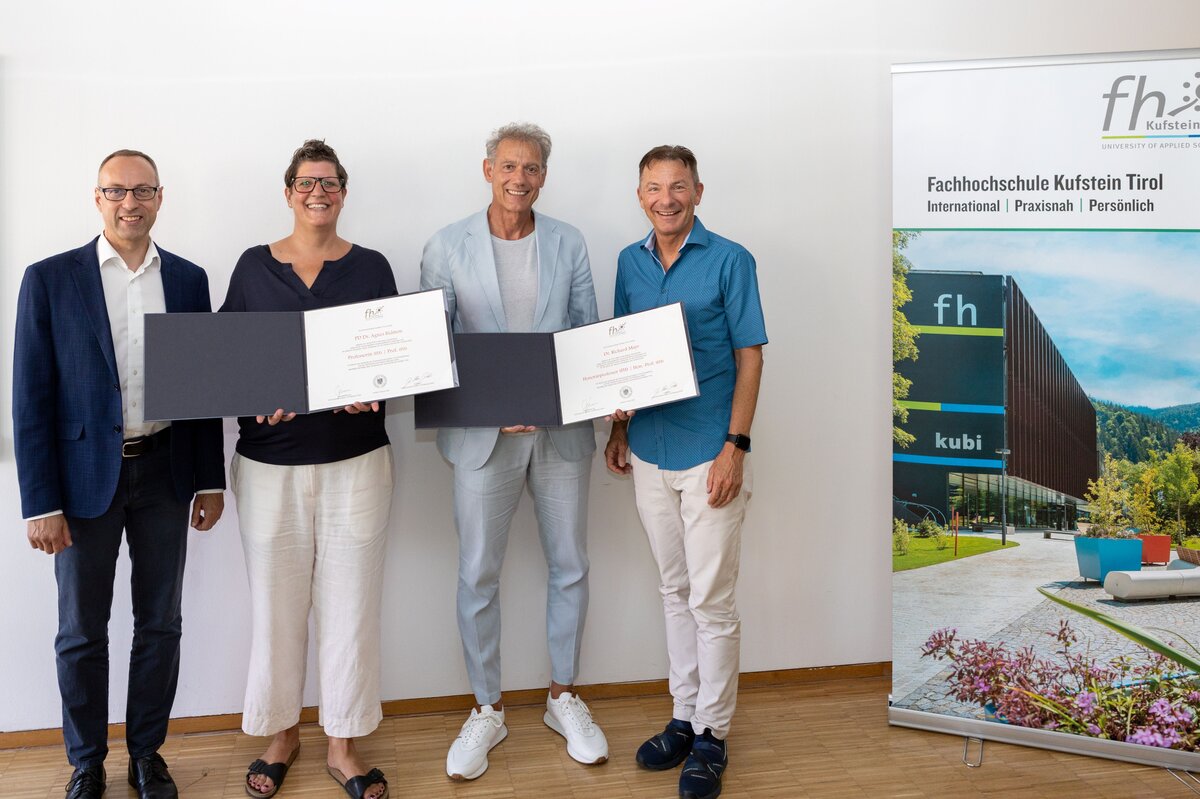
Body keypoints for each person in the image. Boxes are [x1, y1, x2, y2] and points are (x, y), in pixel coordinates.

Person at [13, 150, 226, 799]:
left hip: (166, 472)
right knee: (81, 632)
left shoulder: (188, 280)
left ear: (159, 198)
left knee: (160, 623)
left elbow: (203, 388)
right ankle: (86, 762)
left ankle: (146, 756)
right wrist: (40, 502)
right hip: (81, 483)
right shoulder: (49, 279)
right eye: (116, 191)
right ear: (97, 197)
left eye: (141, 190)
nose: (129, 202)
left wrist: (210, 479)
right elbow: (30, 397)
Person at [420, 122, 608, 781]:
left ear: (543, 177)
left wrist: (572, 397)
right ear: (488, 170)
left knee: (570, 565)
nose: (518, 179)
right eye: (508, 166)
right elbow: (436, 350)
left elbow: (586, 335)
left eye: (530, 168)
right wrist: (499, 402)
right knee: (478, 573)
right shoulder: (446, 245)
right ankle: (488, 709)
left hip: (561, 435)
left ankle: (563, 697)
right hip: (483, 439)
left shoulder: (568, 242)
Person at [221, 140, 396, 799]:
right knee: (277, 609)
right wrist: (255, 395)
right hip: (270, 466)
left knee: (352, 608)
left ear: (343, 193)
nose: (316, 191)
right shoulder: (252, 267)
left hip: (358, 463)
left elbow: (396, 358)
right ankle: (281, 734)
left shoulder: (372, 267)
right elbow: (225, 360)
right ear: (288, 191)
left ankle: (343, 744)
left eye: (328, 182)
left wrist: (373, 387)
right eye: (305, 182)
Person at [605, 145, 766, 799]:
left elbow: (750, 357)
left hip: (708, 450)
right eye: (653, 187)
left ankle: (712, 734)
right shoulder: (628, 261)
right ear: (640, 195)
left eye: (678, 186)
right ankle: (683, 715)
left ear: (698, 191)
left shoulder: (731, 259)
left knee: (711, 601)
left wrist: (736, 447)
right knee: (674, 591)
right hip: (650, 447)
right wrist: (618, 428)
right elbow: (621, 353)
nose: (665, 198)